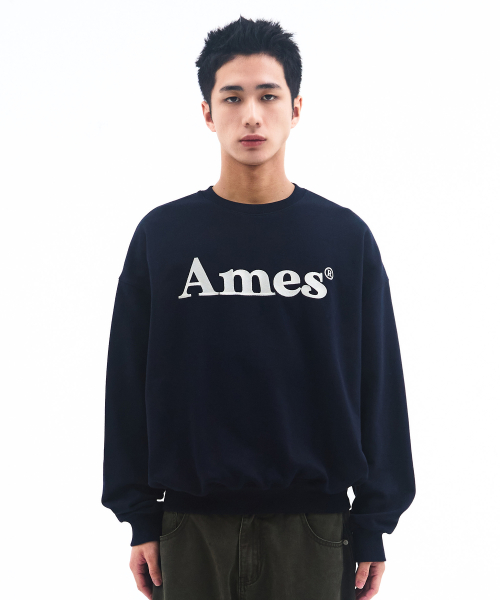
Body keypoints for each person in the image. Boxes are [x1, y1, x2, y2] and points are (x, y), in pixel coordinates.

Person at [101, 15, 416, 600]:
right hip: (188, 530)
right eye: (233, 97)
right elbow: (126, 383)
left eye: (268, 96)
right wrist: (140, 517)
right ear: (207, 112)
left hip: (316, 532)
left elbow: (379, 386)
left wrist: (373, 522)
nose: (251, 115)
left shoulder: (343, 239)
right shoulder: (162, 237)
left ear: (296, 109)